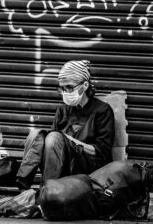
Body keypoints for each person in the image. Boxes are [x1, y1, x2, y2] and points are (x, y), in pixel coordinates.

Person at [16, 60, 115, 190]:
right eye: (62, 88)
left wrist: (67, 139)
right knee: (36, 134)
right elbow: (50, 147)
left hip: (88, 165)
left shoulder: (102, 110)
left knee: (55, 137)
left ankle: (48, 190)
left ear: (85, 85)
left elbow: (101, 152)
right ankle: (23, 186)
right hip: (61, 164)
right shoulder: (63, 110)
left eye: (69, 87)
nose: (65, 92)